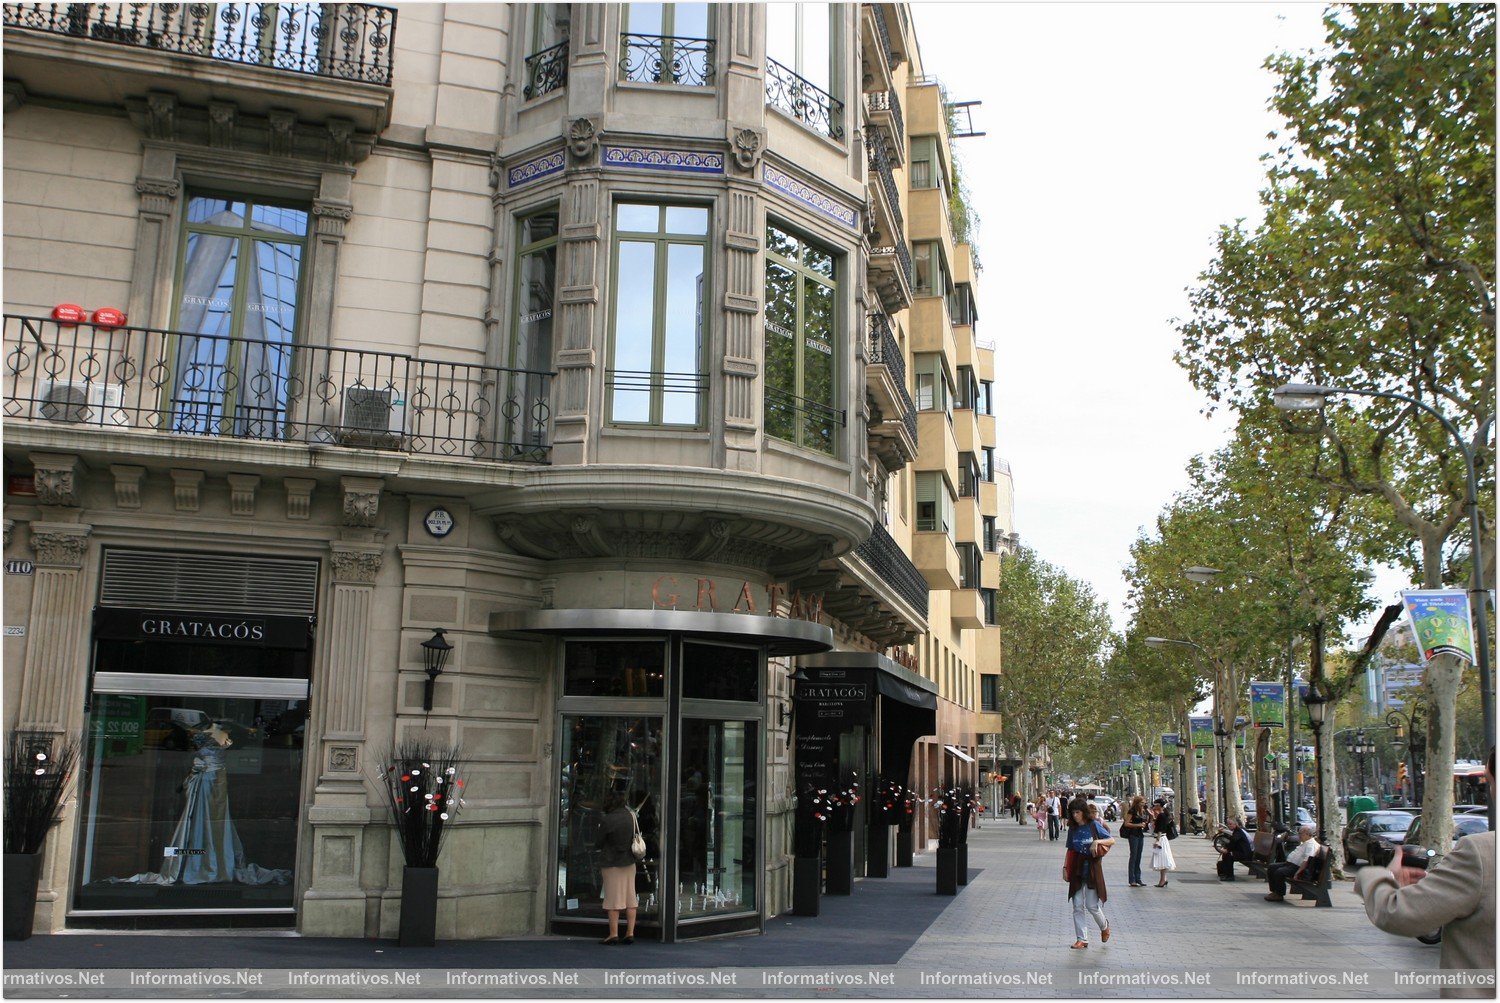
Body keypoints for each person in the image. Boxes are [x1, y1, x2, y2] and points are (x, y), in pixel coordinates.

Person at [1354, 750, 1495, 997]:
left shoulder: (1482, 853)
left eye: (1489, 781)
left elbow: (1397, 913)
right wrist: (1440, 887)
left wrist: (1379, 877)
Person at [1063, 799, 1114, 949]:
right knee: (1077, 905)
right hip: (1077, 869)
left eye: (1077, 812)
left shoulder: (1093, 825)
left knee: (1091, 905)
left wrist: (1097, 842)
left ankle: (1104, 926)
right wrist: (1065, 868)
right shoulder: (1072, 829)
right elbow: (1070, 850)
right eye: (1073, 813)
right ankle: (1082, 939)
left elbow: (1111, 840)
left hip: (1092, 868)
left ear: (1084, 812)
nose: (1075, 816)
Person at [595, 789, 639, 944]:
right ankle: (630, 932)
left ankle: (613, 934)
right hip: (629, 861)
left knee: (613, 899)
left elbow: (598, 842)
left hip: (611, 862)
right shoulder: (631, 816)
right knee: (630, 898)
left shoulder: (608, 820)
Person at [1264, 824, 1321, 902]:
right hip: (1290, 864)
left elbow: (1306, 860)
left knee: (1280, 872)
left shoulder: (1311, 845)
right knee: (1271, 867)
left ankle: (1279, 894)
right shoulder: (1305, 842)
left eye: (1300, 833)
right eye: (1299, 833)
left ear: (1307, 834)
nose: (1299, 835)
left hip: (1298, 868)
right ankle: (1274, 891)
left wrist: (1298, 872)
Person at [1120, 795, 1149, 888]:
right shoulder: (1131, 811)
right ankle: (1132, 879)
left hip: (1140, 835)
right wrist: (1138, 825)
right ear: (1137, 802)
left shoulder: (1142, 811)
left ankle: (1138, 878)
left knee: (1138, 857)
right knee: (1133, 856)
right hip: (1133, 835)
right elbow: (1126, 823)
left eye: (1144, 803)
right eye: (1142, 803)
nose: (1143, 804)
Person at [1217, 816, 1254, 881]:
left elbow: (1234, 841)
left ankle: (1230, 876)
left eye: (1230, 824)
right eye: (1228, 824)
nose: (1229, 825)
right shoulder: (1236, 831)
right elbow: (1232, 842)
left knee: (1228, 856)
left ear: (1235, 824)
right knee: (1226, 855)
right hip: (1241, 852)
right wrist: (1227, 850)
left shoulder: (1238, 832)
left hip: (1245, 854)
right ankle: (1226, 874)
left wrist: (1227, 850)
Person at [1149, 800, 1176, 887]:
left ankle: (1163, 880)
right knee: (1163, 859)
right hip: (1163, 838)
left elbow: (1160, 829)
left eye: (1156, 804)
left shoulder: (1161, 815)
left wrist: (1157, 840)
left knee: (1163, 860)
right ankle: (1164, 879)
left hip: (1161, 838)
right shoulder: (1163, 815)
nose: (1154, 806)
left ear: (1160, 806)